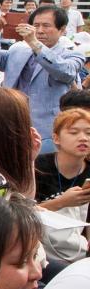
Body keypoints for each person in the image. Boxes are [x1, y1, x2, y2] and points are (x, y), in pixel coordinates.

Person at [0, 4, 79, 150]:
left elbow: (65, 72)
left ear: (62, 30)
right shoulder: (18, 49)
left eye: (46, 26)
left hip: (47, 129)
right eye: (36, 25)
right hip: (11, 123)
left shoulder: (71, 54)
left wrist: (34, 43)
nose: (40, 31)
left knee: (42, 170)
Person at [33, 107, 90, 273]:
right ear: (56, 138)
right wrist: (61, 202)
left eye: (88, 133)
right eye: (74, 133)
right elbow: (22, 211)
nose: (83, 138)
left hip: (77, 252)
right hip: (40, 250)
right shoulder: (38, 167)